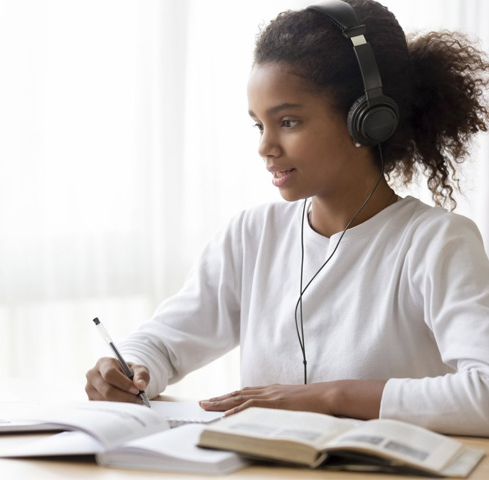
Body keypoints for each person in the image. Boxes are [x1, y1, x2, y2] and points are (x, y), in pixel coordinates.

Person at [85, 0, 489, 436]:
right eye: (259, 125)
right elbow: (163, 341)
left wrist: (330, 397)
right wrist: (129, 367)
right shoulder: (252, 236)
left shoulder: (437, 242)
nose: (265, 147)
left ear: (367, 121)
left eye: (289, 121)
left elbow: (484, 392)